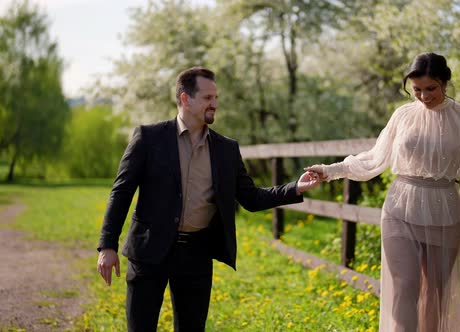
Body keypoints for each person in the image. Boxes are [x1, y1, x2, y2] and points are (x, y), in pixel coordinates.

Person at [96, 66, 321, 332]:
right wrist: (107, 245)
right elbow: (121, 192)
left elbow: (250, 197)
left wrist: (295, 188)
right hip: (149, 252)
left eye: (216, 98)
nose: (214, 104)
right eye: (207, 98)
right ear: (185, 99)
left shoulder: (226, 149)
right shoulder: (148, 138)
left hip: (196, 254)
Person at [306, 52, 460, 332]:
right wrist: (329, 170)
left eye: (431, 88)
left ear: (445, 82)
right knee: (405, 286)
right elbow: (374, 158)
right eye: (417, 90)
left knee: (435, 295)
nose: (424, 96)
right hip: (400, 207)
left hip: (444, 208)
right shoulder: (403, 115)